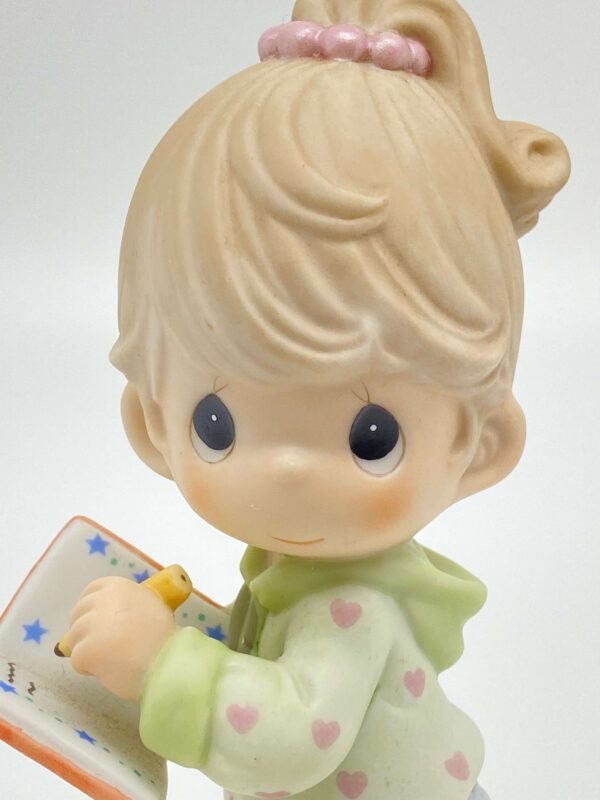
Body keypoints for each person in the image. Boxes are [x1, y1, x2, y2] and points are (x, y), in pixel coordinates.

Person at [66, 1, 570, 797]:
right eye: (217, 425)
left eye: (372, 436)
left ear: (480, 447)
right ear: (150, 422)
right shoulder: (296, 574)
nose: (289, 471)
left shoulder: (352, 607)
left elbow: (293, 739)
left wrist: (160, 664)